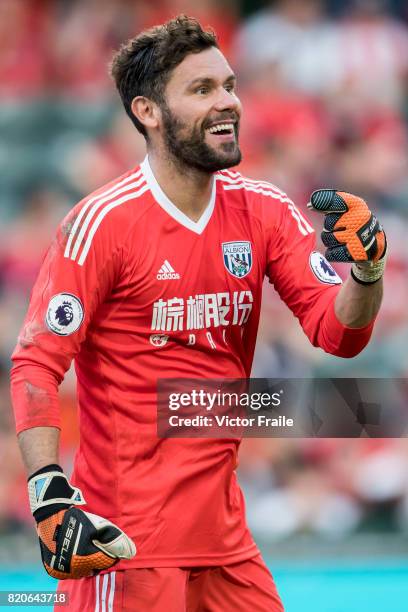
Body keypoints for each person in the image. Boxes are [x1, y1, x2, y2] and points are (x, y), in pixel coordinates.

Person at [10, 15, 386, 612]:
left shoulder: (264, 210)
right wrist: (48, 492)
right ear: (148, 112)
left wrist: (366, 272)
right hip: (126, 548)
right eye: (202, 89)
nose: (228, 102)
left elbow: (338, 333)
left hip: (228, 547)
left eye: (230, 85)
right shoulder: (102, 224)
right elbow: (35, 364)